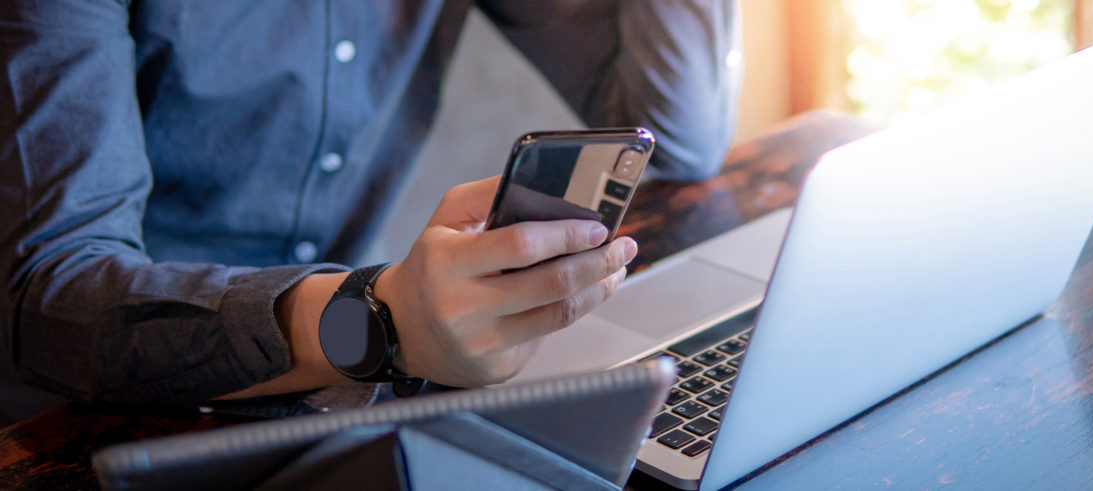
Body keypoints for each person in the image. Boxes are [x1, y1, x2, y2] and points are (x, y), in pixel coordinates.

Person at [0, 0, 740, 425]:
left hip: (334, 400)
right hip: (74, 420)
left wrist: (391, 329)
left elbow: (672, 136)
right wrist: (379, 320)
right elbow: (53, 300)